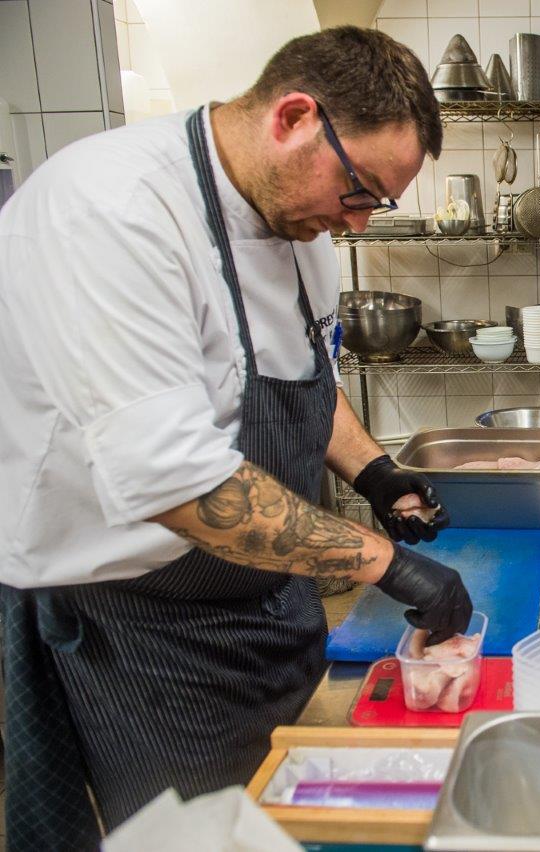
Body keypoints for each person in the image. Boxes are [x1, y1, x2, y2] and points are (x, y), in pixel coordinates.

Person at [0, 27, 473, 849]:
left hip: (268, 601)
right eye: (358, 189)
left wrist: (375, 472)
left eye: (375, 203)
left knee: (299, 822)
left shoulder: (300, 229)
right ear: (293, 116)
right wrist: (386, 564)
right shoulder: (111, 212)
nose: (356, 224)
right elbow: (177, 484)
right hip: (144, 634)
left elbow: (304, 383)